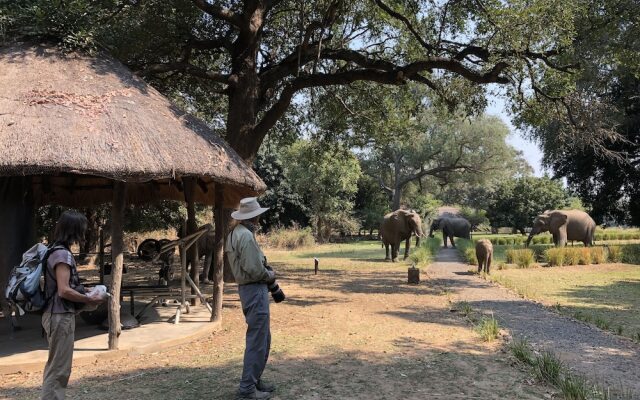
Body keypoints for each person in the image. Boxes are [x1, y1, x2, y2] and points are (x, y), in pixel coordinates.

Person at [42, 210, 105, 400]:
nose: (84, 233)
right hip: (60, 317)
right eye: (82, 229)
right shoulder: (62, 255)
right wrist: (89, 299)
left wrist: (84, 290)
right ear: (75, 230)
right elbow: (63, 290)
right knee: (58, 370)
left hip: (56, 315)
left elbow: (63, 286)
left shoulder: (55, 250)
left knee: (57, 367)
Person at [225, 197, 276, 400]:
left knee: (263, 338)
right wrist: (269, 275)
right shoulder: (245, 236)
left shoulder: (235, 233)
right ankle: (247, 389)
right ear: (253, 217)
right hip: (254, 289)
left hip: (249, 290)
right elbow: (254, 269)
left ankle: (254, 380)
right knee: (258, 340)